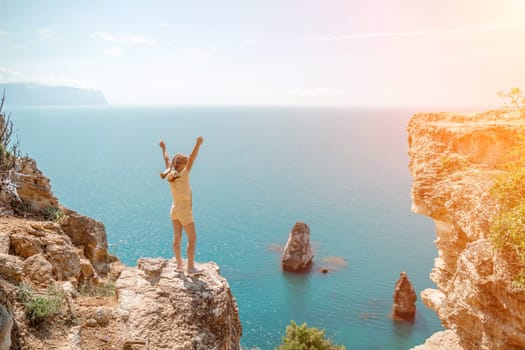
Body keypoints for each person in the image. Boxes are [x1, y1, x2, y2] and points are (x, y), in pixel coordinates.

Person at [159, 136, 203, 276]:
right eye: (185, 163)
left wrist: (163, 148)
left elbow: (167, 159)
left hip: (174, 210)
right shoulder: (183, 175)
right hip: (184, 211)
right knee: (192, 239)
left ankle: (179, 265)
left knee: (177, 238)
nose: (186, 165)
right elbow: (192, 157)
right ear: (182, 165)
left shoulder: (169, 173)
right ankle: (190, 267)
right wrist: (198, 144)